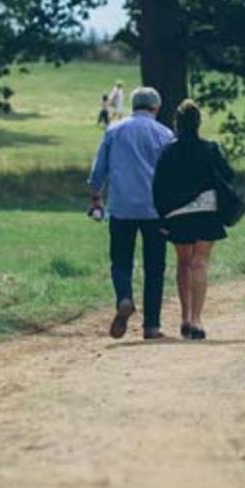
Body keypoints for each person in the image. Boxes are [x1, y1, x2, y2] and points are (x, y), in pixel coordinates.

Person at [87, 87, 174, 340]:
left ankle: (124, 297)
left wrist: (96, 197)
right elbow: (170, 175)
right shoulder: (165, 134)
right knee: (154, 267)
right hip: (155, 210)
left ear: (134, 106)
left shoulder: (113, 130)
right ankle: (152, 326)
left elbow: (98, 170)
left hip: (122, 207)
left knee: (121, 260)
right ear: (155, 108)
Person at [150, 100, 232, 341]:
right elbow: (228, 174)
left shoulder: (168, 151)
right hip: (206, 213)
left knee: (184, 262)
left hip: (177, 215)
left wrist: (161, 217)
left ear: (176, 123)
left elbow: (158, 187)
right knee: (200, 264)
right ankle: (197, 320)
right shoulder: (210, 149)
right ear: (198, 123)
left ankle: (184, 317)